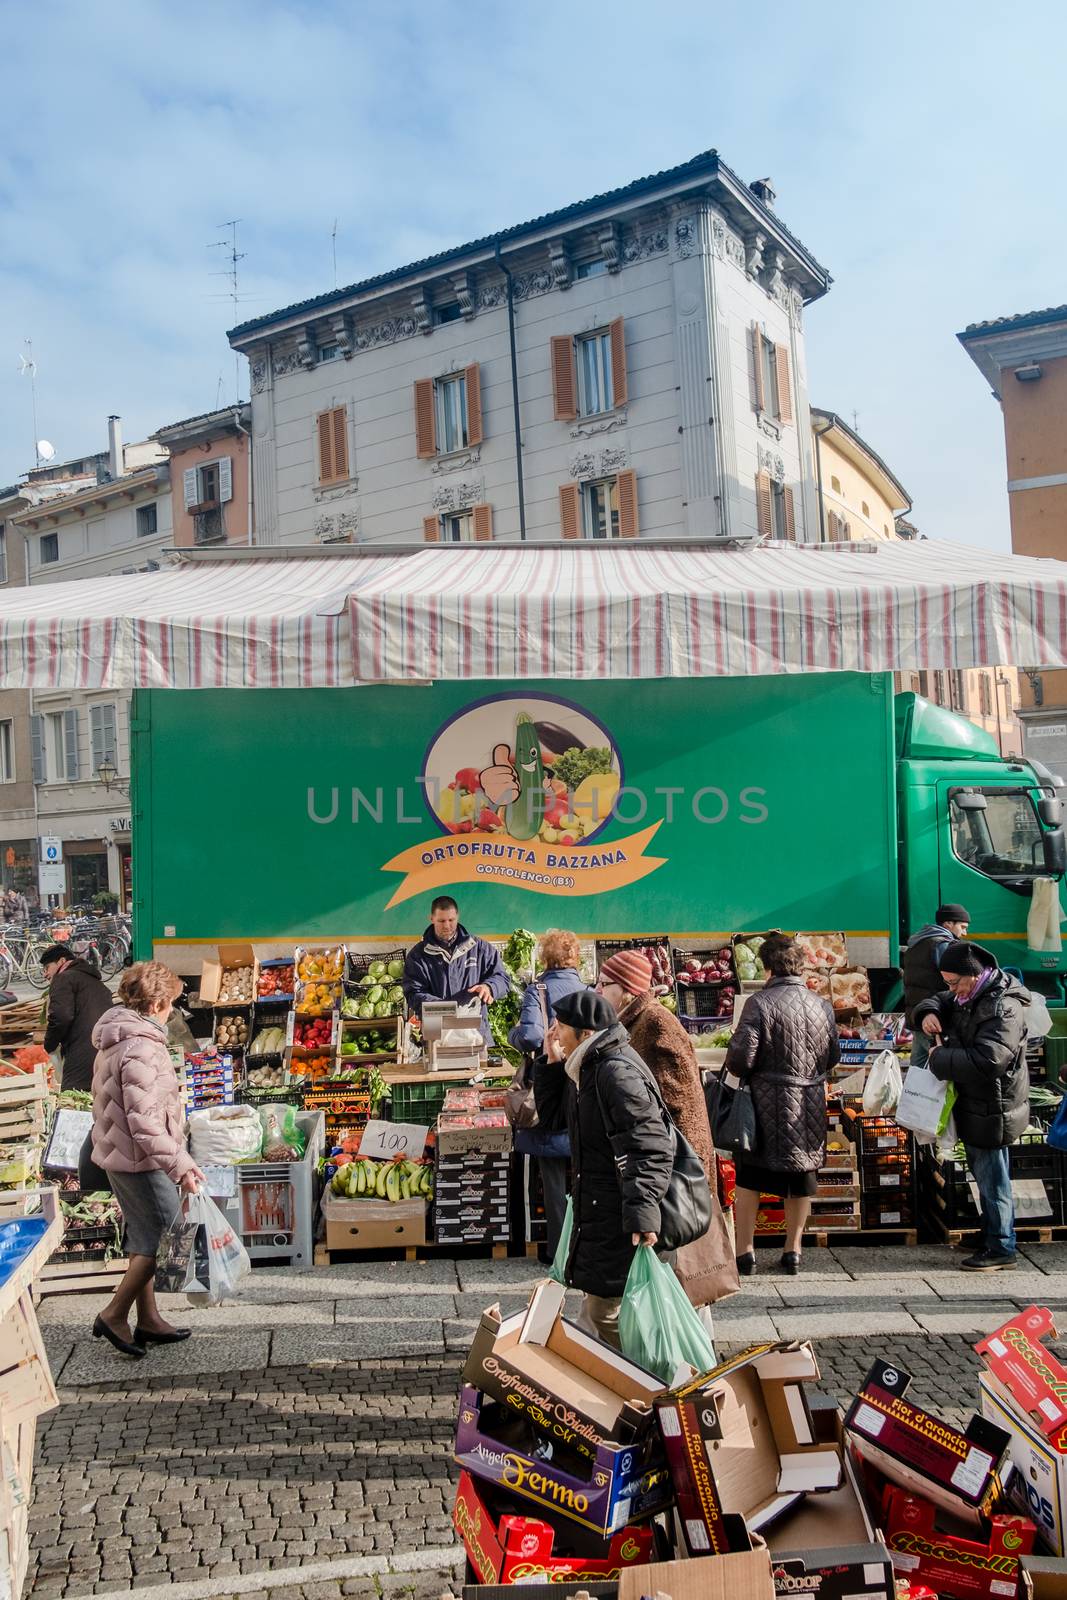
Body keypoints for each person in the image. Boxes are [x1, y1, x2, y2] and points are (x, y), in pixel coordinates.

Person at [533, 989, 674, 1349]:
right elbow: (552, 1120)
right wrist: (550, 1063)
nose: (554, 1033)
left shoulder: (614, 1073)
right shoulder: (587, 1068)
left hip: (618, 1213)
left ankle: (645, 1384)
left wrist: (643, 1214)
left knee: (604, 1313)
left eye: (561, 1027)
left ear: (584, 1033)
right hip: (599, 1208)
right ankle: (630, 1380)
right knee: (602, 1310)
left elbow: (652, 1146)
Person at [90, 961, 205, 1357]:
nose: (173, 1010)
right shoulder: (139, 1046)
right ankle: (114, 1314)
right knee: (164, 1239)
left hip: (120, 1154)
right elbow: (144, 1123)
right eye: (171, 1002)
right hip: (142, 1159)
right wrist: (182, 1164)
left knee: (144, 1238)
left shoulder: (119, 1036)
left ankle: (150, 1319)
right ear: (157, 1002)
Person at [725, 936, 839, 1277]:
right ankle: (793, 1251)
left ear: (768, 967)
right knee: (801, 1176)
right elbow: (832, 1056)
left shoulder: (759, 1004)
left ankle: (745, 1253)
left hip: (766, 1103)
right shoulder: (823, 1006)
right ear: (800, 966)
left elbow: (740, 1061)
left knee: (750, 1177)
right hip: (808, 1102)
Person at [915, 941, 1029, 1272]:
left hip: (995, 1105)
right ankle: (991, 1232)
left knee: (993, 1179)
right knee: (983, 1173)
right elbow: (937, 999)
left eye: (953, 982)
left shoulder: (1002, 1006)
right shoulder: (968, 995)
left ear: (973, 975)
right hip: (977, 1102)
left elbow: (989, 1059)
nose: (950, 989)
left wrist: (939, 1059)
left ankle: (1001, 1246)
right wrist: (928, 1013)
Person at [596, 950, 715, 1181]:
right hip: (661, 1159)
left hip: (678, 1165)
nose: (598, 990)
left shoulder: (656, 1023)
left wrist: (671, 1166)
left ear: (625, 988)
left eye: (603, 983)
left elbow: (676, 1104)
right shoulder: (634, 1021)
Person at [507, 929, 583, 1257]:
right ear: (574, 957)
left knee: (552, 1175)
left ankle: (558, 1250)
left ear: (545, 957)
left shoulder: (537, 990)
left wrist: (512, 1034)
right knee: (583, 1171)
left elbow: (530, 1036)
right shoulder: (586, 990)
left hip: (550, 1084)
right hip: (581, 1084)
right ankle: (584, 1246)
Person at [401, 895, 508, 1047]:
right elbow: (412, 993)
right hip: (436, 1036)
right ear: (431, 918)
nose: (447, 926)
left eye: (451, 920)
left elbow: (502, 977)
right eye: (441, 921)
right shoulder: (418, 955)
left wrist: (490, 987)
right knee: (436, 1067)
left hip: (475, 1033)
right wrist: (444, 1008)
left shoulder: (479, 948)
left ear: (457, 917)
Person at [42, 942, 114, 1093]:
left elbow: (61, 1016)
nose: (45, 974)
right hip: (106, 1051)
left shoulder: (63, 979)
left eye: (47, 968)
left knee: (73, 1100)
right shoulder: (94, 981)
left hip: (82, 1053)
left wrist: (49, 1044)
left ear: (61, 961)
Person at [902, 904, 970, 1064]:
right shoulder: (942, 945)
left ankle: (913, 1089)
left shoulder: (916, 943)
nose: (965, 933)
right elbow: (952, 979)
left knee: (918, 1065)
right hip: (935, 1016)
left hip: (917, 1013)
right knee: (941, 1063)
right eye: (963, 927)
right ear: (948, 924)